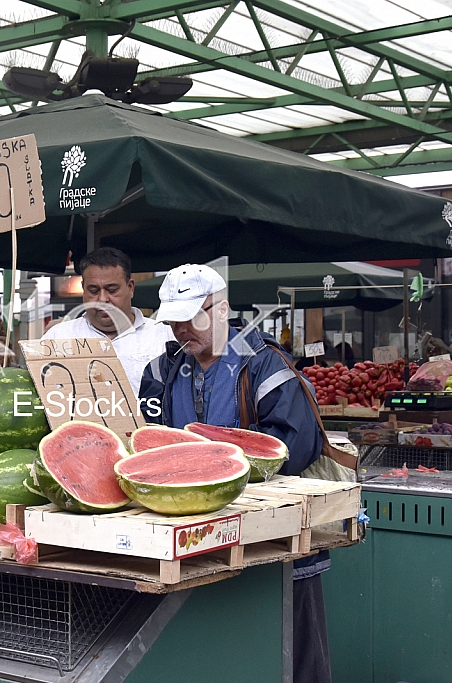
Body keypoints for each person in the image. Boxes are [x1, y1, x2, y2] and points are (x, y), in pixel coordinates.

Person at [138, 264, 332, 683]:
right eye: (173, 320)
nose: (181, 330)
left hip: (272, 536)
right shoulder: (160, 370)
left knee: (293, 651)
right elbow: (147, 440)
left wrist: (217, 467)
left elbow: (293, 447)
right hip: (194, 537)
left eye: (192, 317)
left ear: (222, 310)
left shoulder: (264, 363)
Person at [41, 247, 174, 396]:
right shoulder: (58, 337)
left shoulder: (164, 338)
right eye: (93, 290)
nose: (103, 299)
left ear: (130, 288)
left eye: (112, 290)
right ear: (84, 288)